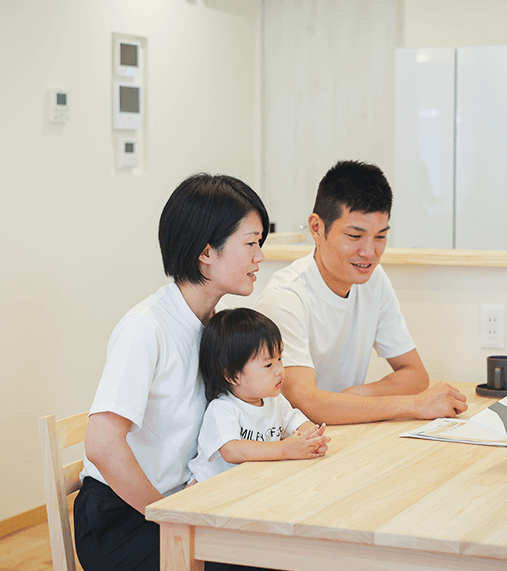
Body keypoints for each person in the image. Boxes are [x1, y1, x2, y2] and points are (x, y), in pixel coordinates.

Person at [75, 173, 270, 571]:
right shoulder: (146, 327)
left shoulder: (217, 326)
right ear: (206, 252)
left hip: (185, 503)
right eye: (251, 243)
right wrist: (168, 515)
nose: (260, 257)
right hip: (123, 518)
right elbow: (101, 444)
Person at [255, 160, 467, 424]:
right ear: (317, 228)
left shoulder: (374, 281)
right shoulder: (286, 296)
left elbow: (414, 373)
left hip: (342, 433)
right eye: (355, 236)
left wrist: (359, 394)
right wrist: (414, 405)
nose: (369, 253)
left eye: (380, 236)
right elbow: (307, 404)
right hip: (291, 444)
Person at [188, 308, 330, 482]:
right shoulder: (223, 409)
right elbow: (232, 451)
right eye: (268, 365)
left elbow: (297, 422)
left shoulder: (274, 400)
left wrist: (312, 439)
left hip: (253, 482)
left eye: (280, 358)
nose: (280, 370)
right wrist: (284, 449)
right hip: (210, 489)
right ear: (233, 375)